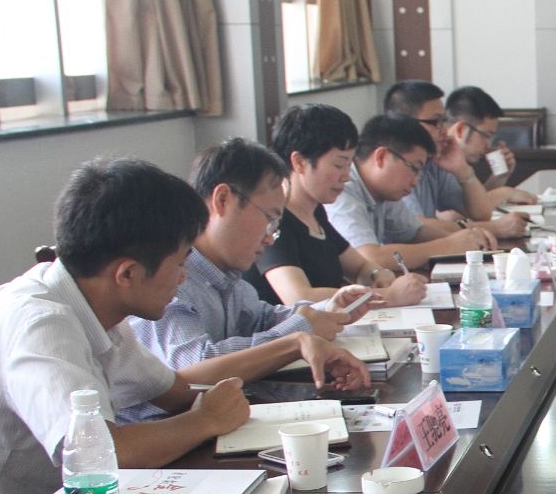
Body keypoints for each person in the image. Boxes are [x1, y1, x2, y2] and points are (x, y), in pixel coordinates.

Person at [0, 159, 250, 494]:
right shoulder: (42, 324)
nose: (184, 278)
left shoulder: (91, 304)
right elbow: (102, 455)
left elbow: (176, 392)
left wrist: (232, 404)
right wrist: (206, 420)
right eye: (180, 263)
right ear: (127, 273)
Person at [126, 138, 372, 411]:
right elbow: (194, 368)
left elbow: (261, 319)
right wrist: (299, 334)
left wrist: (325, 311)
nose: (270, 238)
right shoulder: (171, 279)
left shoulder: (228, 278)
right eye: (269, 219)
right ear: (223, 200)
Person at [249, 104, 428, 308]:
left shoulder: (315, 211)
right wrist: (387, 295)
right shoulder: (275, 220)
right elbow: (298, 297)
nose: (346, 176)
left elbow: (360, 266)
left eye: (349, 165)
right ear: (299, 162)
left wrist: (378, 273)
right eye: (338, 165)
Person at [327, 113, 500, 270]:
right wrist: (448, 245)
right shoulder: (342, 190)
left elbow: (415, 233)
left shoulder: (383, 192)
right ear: (381, 157)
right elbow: (370, 258)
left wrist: (467, 240)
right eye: (414, 168)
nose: (415, 181)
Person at [384, 79, 530, 238]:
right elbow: (416, 225)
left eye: (443, 121)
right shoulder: (395, 165)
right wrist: (494, 227)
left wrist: (462, 169)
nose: (444, 129)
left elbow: (481, 213)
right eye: (436, 122)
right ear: (405, 124)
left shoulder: (435, 162)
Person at [444, 86, 535, 198]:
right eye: (486, 135)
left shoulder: (460, 160)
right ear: (460, 130)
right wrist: (505, 193)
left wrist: (499, 176)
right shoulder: (439, 164)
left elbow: (476, 203)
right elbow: (457, 209)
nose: (488, 144)